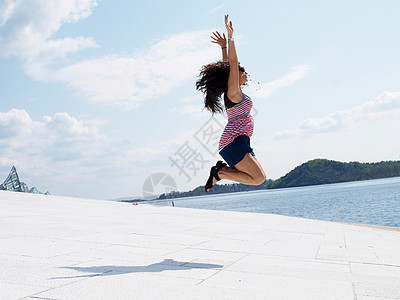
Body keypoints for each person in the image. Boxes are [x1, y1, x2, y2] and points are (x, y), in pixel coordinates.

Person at [196, 15, 266, 192]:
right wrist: (231, 37)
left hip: (241, 140)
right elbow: (232, 64)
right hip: (233, 142)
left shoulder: (236, 92)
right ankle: (220, 173)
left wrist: (224, 48)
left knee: (261, 177)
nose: (245, 72)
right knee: (258, 178)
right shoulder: (233, 92)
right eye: (242, 71)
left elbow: (228, 66)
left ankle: (221, 172)